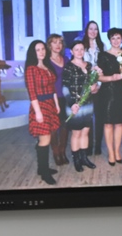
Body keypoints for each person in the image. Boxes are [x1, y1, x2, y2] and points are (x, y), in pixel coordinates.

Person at [25, 39, 62, 185]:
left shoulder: (47, 66)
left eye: (43, 49)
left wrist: (56, 104)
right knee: (45, 139)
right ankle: (44, 172)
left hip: (50, 104)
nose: (41, 52)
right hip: (39, 105)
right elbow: (32, 92)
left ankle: (42, 168)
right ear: (33, 53)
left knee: (48, 137)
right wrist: (38, 112)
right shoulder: (31, 69)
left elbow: (53, 88)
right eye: (38, 50)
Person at [95, 27, 122, 166]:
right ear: (109, 40)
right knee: (108, 123)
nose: (116, 41)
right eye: (113, 38)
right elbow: (99, 77)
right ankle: (110, 152)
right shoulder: (103, 55)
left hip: (121, 90)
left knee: (120, 122)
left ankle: (117, 151)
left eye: (118, 38)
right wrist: (112, 78)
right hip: (107, 92)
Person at [62, 39, 99, 172]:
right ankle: (76, 160)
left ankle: (84, 158)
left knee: (85, 132)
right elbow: (64, 87)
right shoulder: (68, 67)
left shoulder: (89, 65)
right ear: (71, 52)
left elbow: (93, 84)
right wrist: (72, 104)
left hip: (88, 104)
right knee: (76, 133)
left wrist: (95, 87)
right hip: (74, 105)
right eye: (76, 49)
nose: (79, 52)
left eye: (81, 49)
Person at [46, 34, 69, 167]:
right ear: (49, 45)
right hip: (52, 97)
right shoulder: (46, 62)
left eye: (60, 42)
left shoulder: (65, 59)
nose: (58, 45)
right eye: (54, 42)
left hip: (65, 97)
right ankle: (56, 153)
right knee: (53, 126)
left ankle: (62, 151)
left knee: (65, 125)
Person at [83, 21, 105, 156]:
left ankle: (97, 146)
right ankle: (89, 145)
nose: (93, 31)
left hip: (100, 87)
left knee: (100, 118)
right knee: (88, 118)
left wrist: (98, 85)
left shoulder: (102, 46)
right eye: (90, 29)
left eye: (95, 29)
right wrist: (89, 85)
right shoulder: (81, 47)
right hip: (86, 88)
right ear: (86, 30)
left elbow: (105, 68)